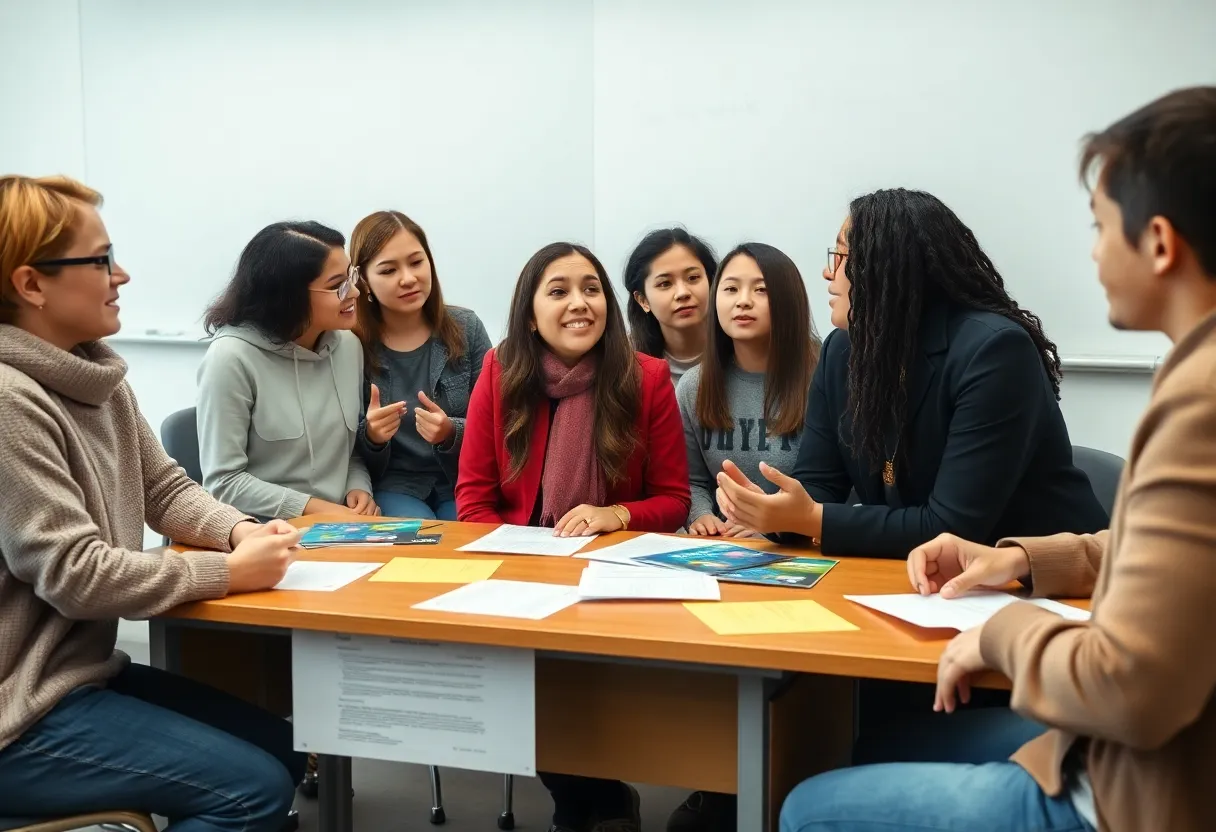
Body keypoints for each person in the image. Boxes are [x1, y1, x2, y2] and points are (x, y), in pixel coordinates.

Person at [780, 86, 1216, 832]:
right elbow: (1163, 552)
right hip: (1152, 740)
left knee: (806, 807)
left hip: (1142, 786)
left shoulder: (1198, 403)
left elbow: (1134, 688)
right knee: (876, 740)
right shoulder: (1195, 376)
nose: (1091, 249)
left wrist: (1002, 634)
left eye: (1099, 225)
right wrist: (1022, 559)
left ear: (1162, 244)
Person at [0, 174, 306, 830]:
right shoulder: (9, 400)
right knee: (250, 792)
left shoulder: (92, 374)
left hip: (75, 678)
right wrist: (226, 572)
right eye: (102, 260)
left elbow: (164, 489)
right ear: (31, 285)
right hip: (18, 715)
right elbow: (76, 576)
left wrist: (240, 531)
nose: (123, 275)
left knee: (283, 747)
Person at [716, 188, 1108, 558]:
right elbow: (820, 487)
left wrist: (810, 519)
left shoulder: (995, 351)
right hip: (925, 578)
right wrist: (772, 512)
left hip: (1045, 582)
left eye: (839, 257)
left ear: (884, 267)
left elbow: (952, 526)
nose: (826, 272)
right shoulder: (841, 351)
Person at [456, 242, 690, 832]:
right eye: (558, 291)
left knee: (581, 672)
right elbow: (473, 500)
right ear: (530, 313)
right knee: (527, 668)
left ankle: (600, 800)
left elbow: (674, 500)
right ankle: (585, 801)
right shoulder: (500, 371)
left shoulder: (647, 378)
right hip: (522, 571)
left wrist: (617, 514)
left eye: (591, 289)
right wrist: (520, 559)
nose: (579, 303)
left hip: (610, 573)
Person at [197, 221, 375, 520]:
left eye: (352, 277)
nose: (354, 292)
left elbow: (349, 449)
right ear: (288, 295)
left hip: (340, 525)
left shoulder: (348, 347)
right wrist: (317, 509)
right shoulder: (230, 359)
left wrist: (358, 487)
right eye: (337, 286)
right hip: (261, 531)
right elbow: (223, 483)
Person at [349, 210, 492, 520]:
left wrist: (451, 431)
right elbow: (345, 450)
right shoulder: (351, 344)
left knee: (466, 540)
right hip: (395, 486)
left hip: (462, 482)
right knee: (419, 539)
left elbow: (500, 421)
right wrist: (372, 436)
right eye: (388, 270)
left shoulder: (466, 327)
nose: (408, 278)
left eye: (416, 262)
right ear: (364, 281)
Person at [678, 242, 821, 540]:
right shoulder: (694, 385)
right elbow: (693, 480)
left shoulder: (822, 377)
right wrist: (702, 515)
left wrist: (773, 522)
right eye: (730, 289)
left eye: (761, 290)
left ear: (788, 300)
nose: (743, 301)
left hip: (803, 547)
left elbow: (841, 487)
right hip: (727, 546)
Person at [624, 227, 718, 386]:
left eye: (693, 278)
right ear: (643, 301)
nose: (682, 293)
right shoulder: (626, 361)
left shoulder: (740, 347)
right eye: (665, 283)